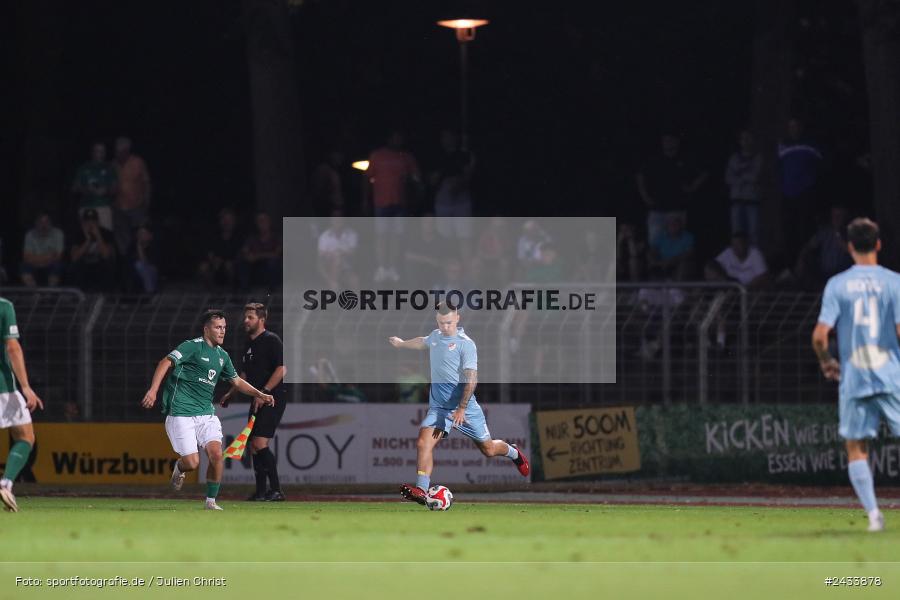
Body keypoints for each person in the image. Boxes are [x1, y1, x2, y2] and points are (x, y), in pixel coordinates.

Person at [388, 302, 530, 506]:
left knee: (488, 450)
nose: (444, 327)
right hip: (439, 409)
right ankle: (421, 489)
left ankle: (514, 452)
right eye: (440, 323)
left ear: (457, 318)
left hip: (465, 408)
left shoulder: (466, 344)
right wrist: (402, 343)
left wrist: (462, 408)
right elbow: (423, 341)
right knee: (423, 442)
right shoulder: (436, 336)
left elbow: (472, 379)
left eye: (448, 323)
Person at [811, 218, 900, 532]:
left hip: (855, 376)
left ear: (848, 247)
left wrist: (827, 361)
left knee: (856, 447)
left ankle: (875, 516)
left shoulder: (838, 284)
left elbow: (820, 336)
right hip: (892, 374)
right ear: (878, 244)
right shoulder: (894, 282)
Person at [140, 309, 275, 510]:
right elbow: (165, 362)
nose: (222, 331)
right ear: (206, 329)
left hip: (206, 414)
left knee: (217, 455)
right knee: (192, 463)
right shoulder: (192, 347)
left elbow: (237, 381)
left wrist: (260, 394)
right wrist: (153, 390)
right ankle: (179, 467)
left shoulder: (222, 356)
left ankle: (210, 502)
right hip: (181, 413)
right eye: (217, 327)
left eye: (224, 328)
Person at [220, 303, 287, 502]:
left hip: (272, 398)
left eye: (250, 317)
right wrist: (231, 393)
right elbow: (244, 374)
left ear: (261, 319)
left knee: (259, 442)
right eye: (246, 317)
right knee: (253, 446)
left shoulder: (271, 340)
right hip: (257, 399)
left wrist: (264, 392)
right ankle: (260, 492)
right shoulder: (248, 343)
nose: (245, 320)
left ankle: (276, 490)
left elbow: (282, 369)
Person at [0, 297, 44, 512]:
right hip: (3, 387)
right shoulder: (3, 306)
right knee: (25, 436)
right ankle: (6, 483)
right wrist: (25, 386)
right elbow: (13, 348)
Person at [364, 130, 421, 282]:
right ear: (389, 138)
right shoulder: (377, 155)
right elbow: (367, 178)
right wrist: (365, 200)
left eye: (400, 138)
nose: (397, 140)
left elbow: (416, 178)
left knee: (397, 236)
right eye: (395, 137)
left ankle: (393, 268)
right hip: (381, 203)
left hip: (400, 203)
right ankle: (382, 267)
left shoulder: (406, 157)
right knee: (382, 236)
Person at [112, 136, 152, 254]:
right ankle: (126, 264)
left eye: (121, 151)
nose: (118, 153)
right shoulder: (113, 164)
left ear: (127, 150)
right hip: (119, 209)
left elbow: (147, 183)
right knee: (122, 242)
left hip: (137, 208)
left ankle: (141, 262)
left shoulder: (138, 162)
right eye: (117, 151)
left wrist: (147, 202)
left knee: (141, 238)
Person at [724, 130, 763, 245]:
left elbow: (754, 176)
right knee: (736, 233)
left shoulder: (758, 157)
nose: (745, 141)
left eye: (748, 138)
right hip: (736, 202)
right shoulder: (734, 158)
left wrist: (738, 174)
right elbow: (728, 178)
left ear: (752, 140)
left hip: (752, 201)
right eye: (743, 139)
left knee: (753, 234)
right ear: (740, 141)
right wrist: (744, 175)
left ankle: (753, 261)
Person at [68, 208, 117, 291]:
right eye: (87, 221)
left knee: (109, 265)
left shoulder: (107, 233)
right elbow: (74, 257)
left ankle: (105, 297)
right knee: (74, 267)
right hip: (84, 265)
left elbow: (106, 255)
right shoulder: (78, 234)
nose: (90, 224)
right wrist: (87, 240)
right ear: (83, 223)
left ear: (97, 222)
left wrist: (98, 236)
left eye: (93, 221)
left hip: (100, 265)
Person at [72, 142, 117, 231]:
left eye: (103, 151)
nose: (101, 154)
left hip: (103, 207)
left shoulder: (110, 168)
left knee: (105, 236)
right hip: (86, 207)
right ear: (92, 152)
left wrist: (105, 190)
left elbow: (115, 189)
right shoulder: (83, 167)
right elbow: (74, 188)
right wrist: (86, 189)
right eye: (98, 151)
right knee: (87, 237)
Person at [198, 208, 243, 288]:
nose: (226, 223)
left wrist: (225, 261)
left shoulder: (239, 237)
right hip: (216, 265)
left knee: (229, 266)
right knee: (203, 267)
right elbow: (209, 252)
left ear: (234, 221)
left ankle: (232, 291)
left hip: (233, 266)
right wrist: (214, 259)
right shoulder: (214, 236)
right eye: (224, 219)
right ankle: (211, 292)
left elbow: (240, 254)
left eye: (229, 220)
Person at [237, 212, 282, 291]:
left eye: (264, 221)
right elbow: (244, 251)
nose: (262, 224)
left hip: (271, 268)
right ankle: (244, 289)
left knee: (273, 263)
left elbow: (277, 254)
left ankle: (273, 289)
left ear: (269, 222)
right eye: (260, 221)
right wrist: (248, 256)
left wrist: (258, 256)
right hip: (255, 268)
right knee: (242, 262)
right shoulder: (252, 238)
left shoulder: (276, 237)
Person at [21, 213, 65, 287]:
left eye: (46, 222)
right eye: (41, 222)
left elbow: (58, 257)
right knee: (23, 266)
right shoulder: (30, 234)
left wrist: (35, 257)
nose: (44, 225)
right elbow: (26, 257)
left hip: (50, 264)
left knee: (58, 266)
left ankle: (50, 293)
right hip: (34, 264)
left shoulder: (58, 233)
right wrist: (48, 256)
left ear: (51, 223)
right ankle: (34, 293)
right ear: (36, 223)